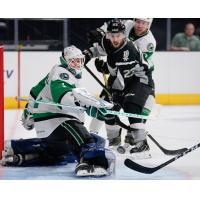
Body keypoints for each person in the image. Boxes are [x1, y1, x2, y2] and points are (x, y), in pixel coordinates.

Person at [0, 45, 115, 177]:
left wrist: (29, 111)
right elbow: (64, 99)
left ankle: (17, 148)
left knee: (69, 150)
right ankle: (89, 162)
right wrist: (89, 106)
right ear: (64, 60)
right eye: (73, 61)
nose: (77, 64)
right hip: (54, 118)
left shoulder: (70, 76)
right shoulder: (61, 72)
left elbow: (35, 90)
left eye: (79, 60)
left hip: (53, 121)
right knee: (85, 139)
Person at [83, 19, 155, 158]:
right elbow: (98, 50)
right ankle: (114, 142)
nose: (115, 39)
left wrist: (105, 69)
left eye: (119, 36)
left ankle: (142, 146)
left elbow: (120, 74)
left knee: (131, 107)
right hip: (121, 78)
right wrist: (86, 55)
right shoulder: (107, 41)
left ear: (124, 35)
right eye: (112, 35)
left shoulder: (128, 50)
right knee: (109, 109)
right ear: (108, 35)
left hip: (139, 79)